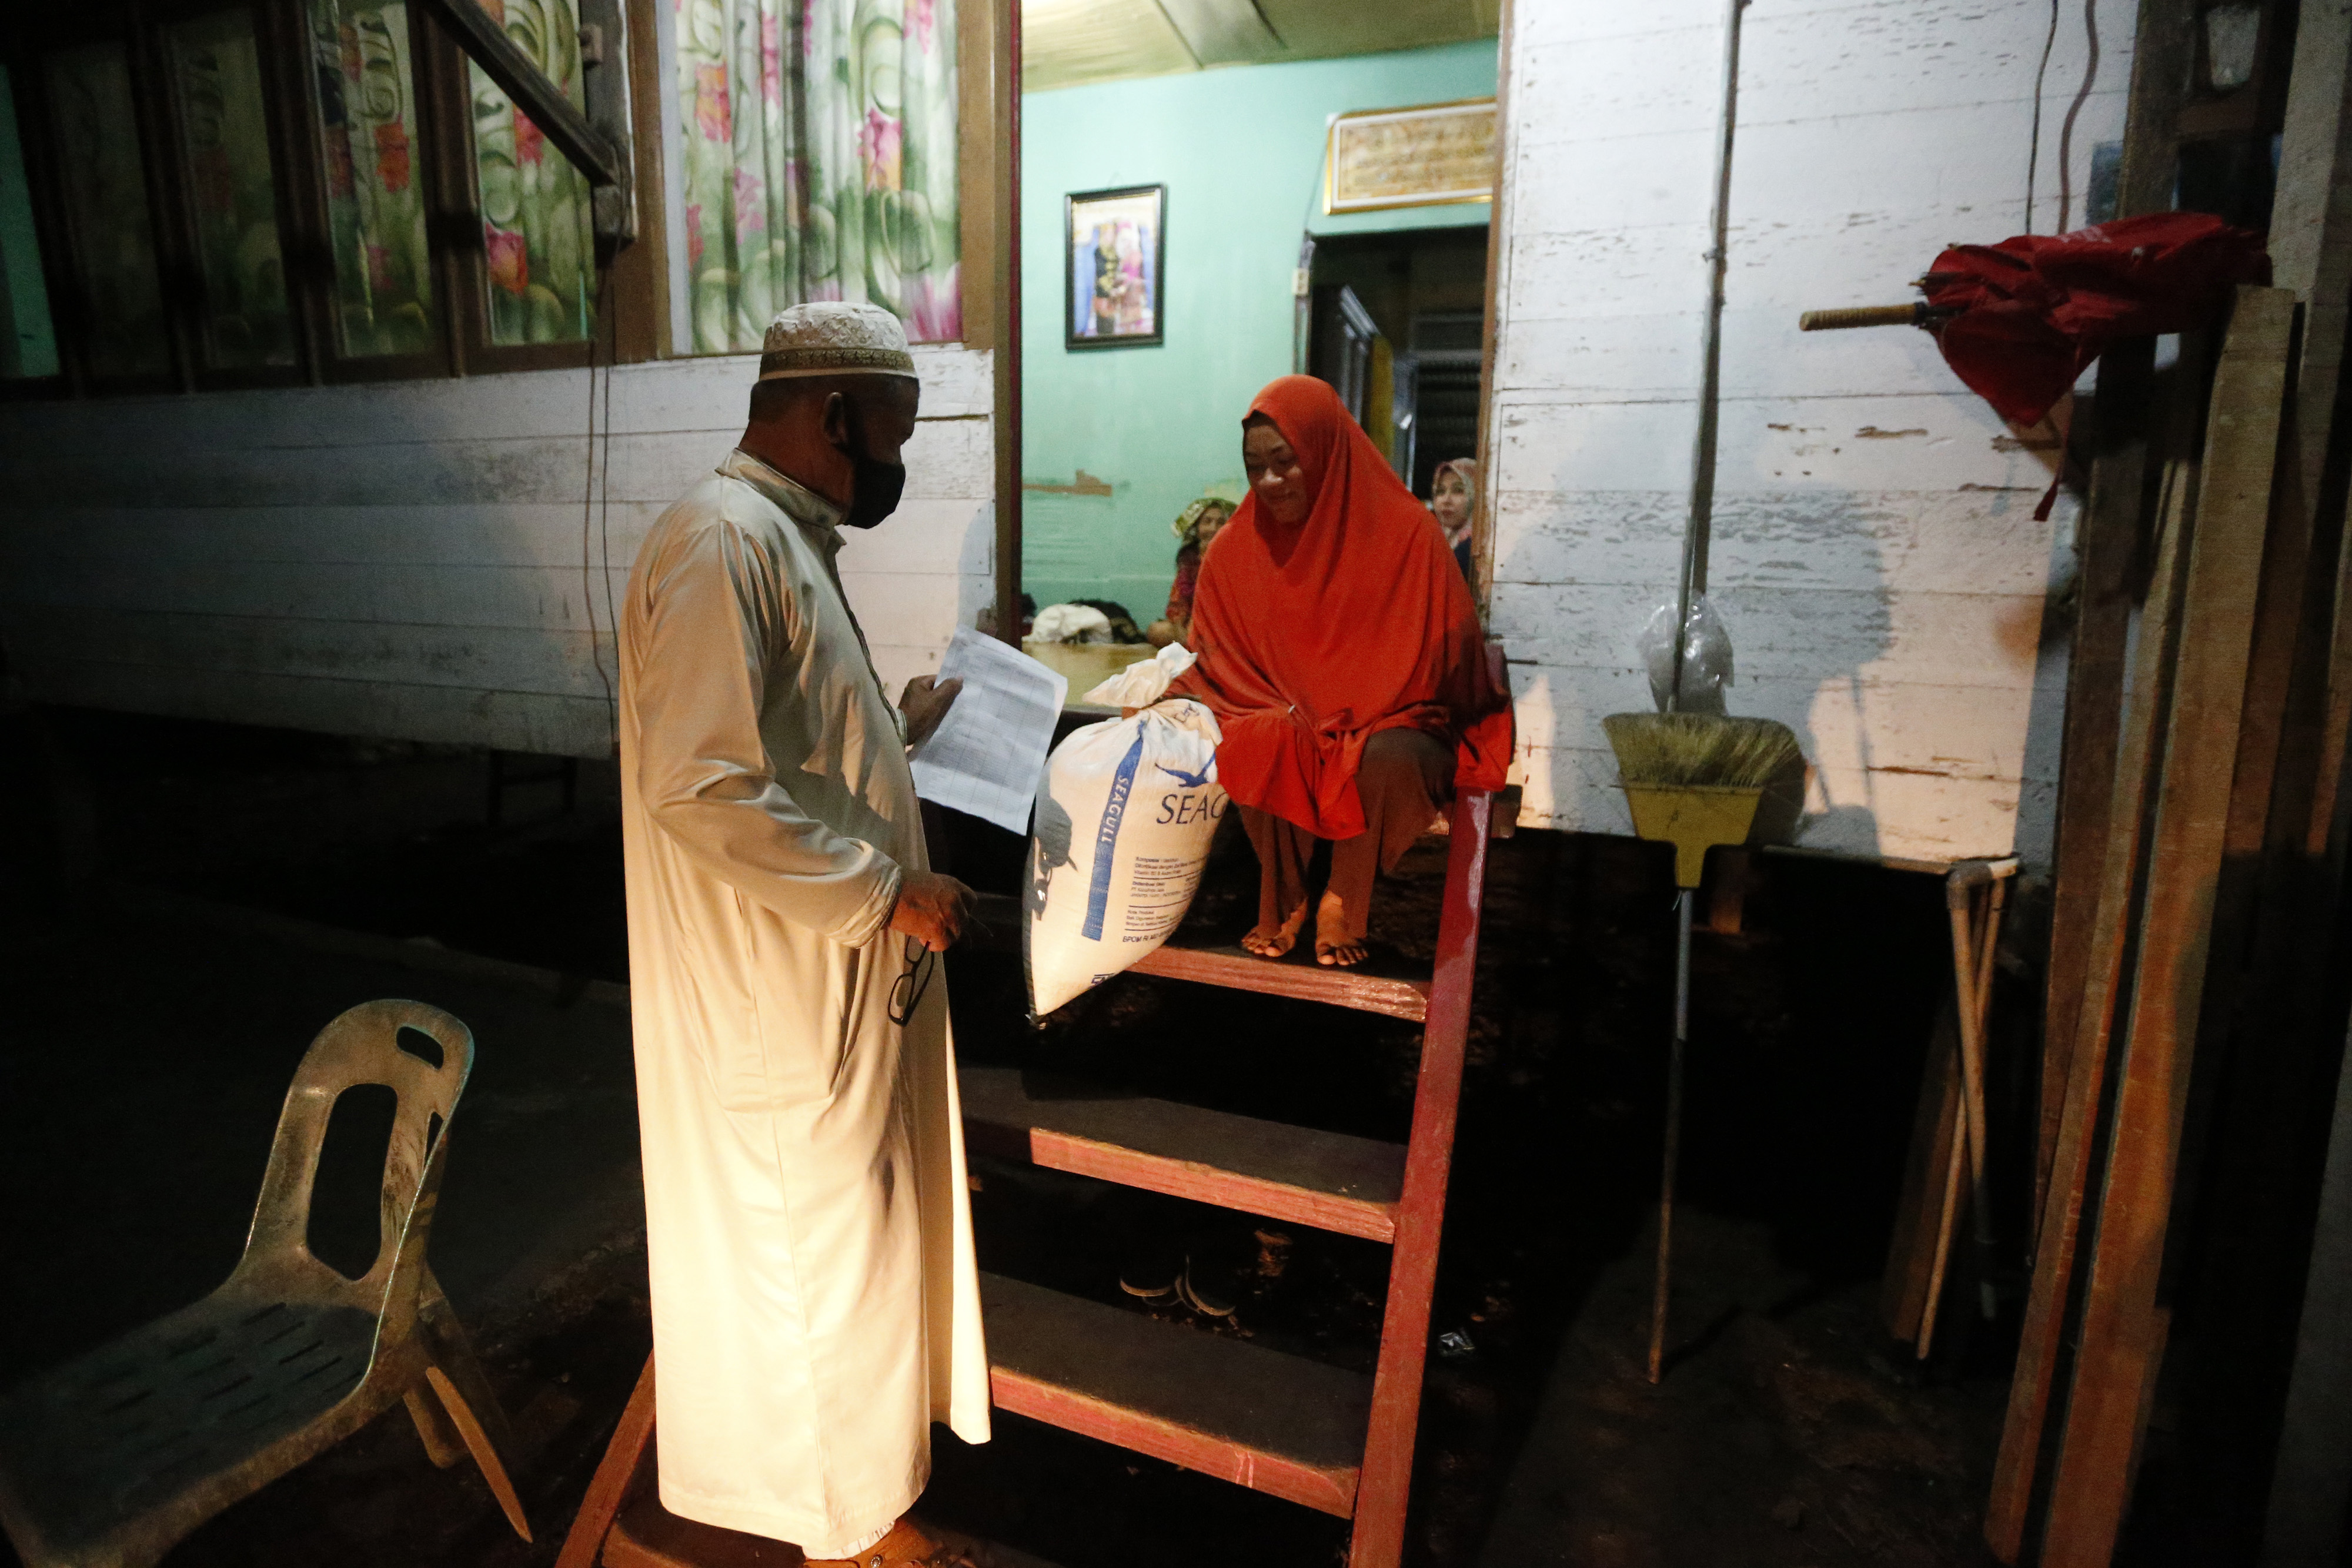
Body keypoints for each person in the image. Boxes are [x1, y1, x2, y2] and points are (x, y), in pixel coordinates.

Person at [618, 302, 990, 1568]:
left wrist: (902, 723)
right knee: (814, 1264)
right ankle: (842, 1533)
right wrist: (885, 889)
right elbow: (700, 783)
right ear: (834, 415)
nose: (899, 462)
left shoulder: (776, 536)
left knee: (856, 1251)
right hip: (774, 987)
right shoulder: (724, 542)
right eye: (896, 433)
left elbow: (793, 743)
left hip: (819, 970)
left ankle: (864, 1511)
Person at [1170, 376, 1512, 968]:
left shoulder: (1407, 534)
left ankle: (1343, 899)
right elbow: (1219, 660)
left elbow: (1446, 656)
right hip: (1289, 716)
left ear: (1326, 450)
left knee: (1389, 757)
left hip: (1390, 719)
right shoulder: (1234, 549)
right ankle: (1287, 897)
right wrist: (1290, 711)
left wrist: (1361, 706)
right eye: (1255, 468)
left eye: (1286, 461)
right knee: (1259, 739)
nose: (1270, 481)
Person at [1145, 495, 1234, 647]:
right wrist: (1182, 631)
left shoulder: (1236, 557)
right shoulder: (1188, 558)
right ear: (1197, 528)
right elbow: (1178, 602)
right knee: (1156, 631)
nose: (1213, 528)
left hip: (1224, 628)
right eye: (1207, 522)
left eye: (1220, 523)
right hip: (1191, 627)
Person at [1430, 457, 1477, 581]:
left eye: (1458, 491)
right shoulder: (1434, 541)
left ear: (1476, 495)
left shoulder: (1474, 547)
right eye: (1441, 491)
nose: (1446, 500)